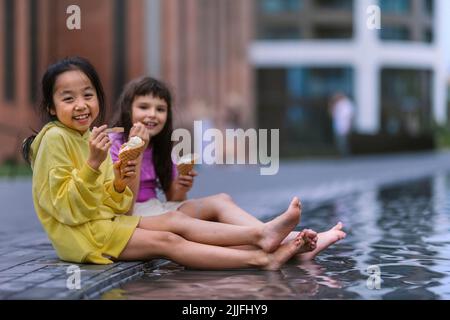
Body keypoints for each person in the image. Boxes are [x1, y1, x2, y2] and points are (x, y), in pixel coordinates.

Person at [22, 56, 317, 271]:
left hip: (103, 222)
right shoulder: (55, 140)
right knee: (168, 241)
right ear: (51, 106)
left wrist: (119, 181)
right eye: (68, 98)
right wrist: (93, 165)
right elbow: (66, 209)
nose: (81, 105)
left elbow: (113, 204)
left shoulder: (88, 135)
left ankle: (264, 239)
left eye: (88, 95)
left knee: (175, 223)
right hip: (80, 237)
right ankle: (262, 253)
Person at [110, 76, 346, 261]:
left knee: (221, 199)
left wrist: (182, 185)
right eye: (144, 107)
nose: (152, 114)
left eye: (160, 109)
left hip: (157, 209)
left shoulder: (162, 145)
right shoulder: (115, 143)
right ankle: (292, 241)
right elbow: (123, 207)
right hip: (130, 214)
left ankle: (279, 239)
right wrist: (136, 150)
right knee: (204, 232)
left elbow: (173, 198)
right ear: (127, 110)